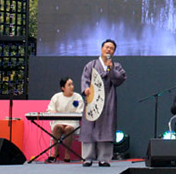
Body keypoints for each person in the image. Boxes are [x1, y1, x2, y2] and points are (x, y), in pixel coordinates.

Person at [80, 39, 127, 167]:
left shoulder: (116, 66)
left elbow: (120, 79)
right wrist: (85, 89)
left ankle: (104, 158)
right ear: (101, 49)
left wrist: (111, 70)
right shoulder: (91, 65)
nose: (108, 50)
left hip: (108, 99)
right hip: (92, 98)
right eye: (107, 47)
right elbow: (85, 79)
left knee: (106, 127)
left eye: (111, 48)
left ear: (114, 52)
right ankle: (88, 157)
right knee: (90, 127)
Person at [45, 77, 84, 163]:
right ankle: (56, 152)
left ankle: (67, 153)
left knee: (69, 129)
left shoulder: (78, 97)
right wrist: (54, 112)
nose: (72, 87)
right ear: (63, 88)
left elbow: (79, 112)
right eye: (69, 85)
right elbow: (50, 110)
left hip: (72, 122)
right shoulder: (56, 97)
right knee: (57, 127)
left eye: (72, 84)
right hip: (59, 121)